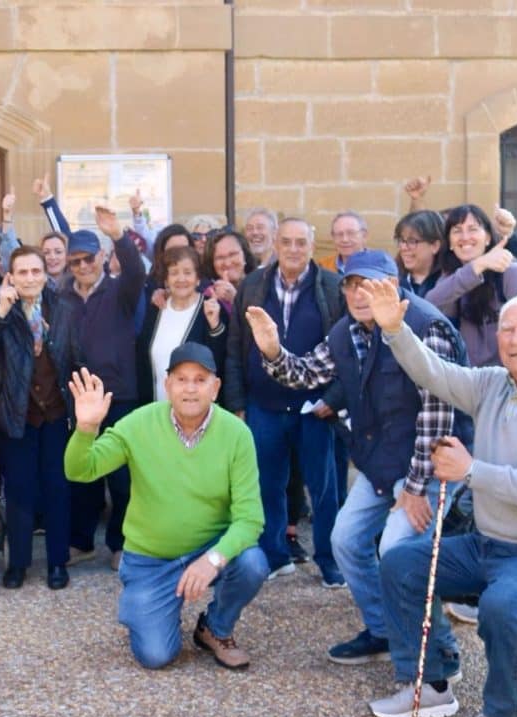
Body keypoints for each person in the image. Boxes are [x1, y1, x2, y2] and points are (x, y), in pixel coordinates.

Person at [362, 284, 517, 717]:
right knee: (400, 564)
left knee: (502, 605)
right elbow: (435, 372)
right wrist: (395, 329)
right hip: (489, 544)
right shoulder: (492, 384)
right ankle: (432, 683)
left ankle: (508, 714)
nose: (515, 338)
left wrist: (470, 470)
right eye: (507, 329)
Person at [245, 250, 471, 668]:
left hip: (432, 464)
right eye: (351, 285)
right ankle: (385, 631)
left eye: (370, 285)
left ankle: (439, 650)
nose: (359, 293)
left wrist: (415, 490)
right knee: (346, 541)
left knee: (399, 552)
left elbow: (438, 417)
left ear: (394, 286)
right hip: (382, 460)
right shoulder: (346, 331)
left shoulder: (427, 326)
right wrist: (273, 351)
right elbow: (306, 374)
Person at [64, 346, 268, 670]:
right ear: (167, 384)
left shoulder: (237, 434)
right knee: (156, 655)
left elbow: (250, 519)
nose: (190, 388)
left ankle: (215, 628)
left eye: (200, 379)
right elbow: (80, 470)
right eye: (181, 379)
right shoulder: (139, 423)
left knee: (252, 563)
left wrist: (212, 560)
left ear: (215, 387)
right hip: (151, 559)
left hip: (208, 546)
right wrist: (86, 428)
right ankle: (152, 608)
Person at [223, 217, 345, 587]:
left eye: (301, 242)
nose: (293, 249)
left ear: (312, 246)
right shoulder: (252, 285)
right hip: (264, 405)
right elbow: (235, 348)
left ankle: (330, 561)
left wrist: (333, 398)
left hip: (315, 408)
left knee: (324, 490)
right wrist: (238, 402)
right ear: (276, 243)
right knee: (267, 485)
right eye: (287, 241)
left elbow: (347, 351)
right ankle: (275, 556)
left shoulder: (332, 286)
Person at [0, 245, 81, 589]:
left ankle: (57, 563)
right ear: (11, 276)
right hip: (17, 415)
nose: (30, 278)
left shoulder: (64, 308)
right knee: (19, 492)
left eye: (36, 271)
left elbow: (76, 358)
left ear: (45, 275)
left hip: (57, 415)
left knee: (57, 489)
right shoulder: (0, 309)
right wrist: (1, 311)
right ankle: (17, 563)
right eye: (23, 272)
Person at [56, 208, 148, 572]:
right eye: (75, 261)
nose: (82, 266)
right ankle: (81, 541)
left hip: (119, 395)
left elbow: (137, 272)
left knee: (121, 476)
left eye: (88, 259)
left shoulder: (119, 291)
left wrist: (118, 236)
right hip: (79, 400)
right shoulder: (61, 297)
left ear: (101, 258)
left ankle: (120, 543)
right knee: (82, 475)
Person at [427, 204, 517, 368]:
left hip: (508, 375)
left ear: (488, 238)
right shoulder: (451, 277)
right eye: (457, 231)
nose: (465, 237)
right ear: (450, 243)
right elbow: (430, 305)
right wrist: (478, 265)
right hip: (467, 377)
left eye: (473, 229)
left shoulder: (510, 271)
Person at [139, 246, 226, 403]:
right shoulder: (156, 309)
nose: (181, 279)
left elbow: (220, 361)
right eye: (174, 273)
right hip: (157, 407)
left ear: (198, 278)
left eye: (187, 272)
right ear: (166, 280)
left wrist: (215, 326)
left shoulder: (211, 308)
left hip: (196, 408)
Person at [395, 210, 445, 299]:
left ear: (435, 246)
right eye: (401, 240)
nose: (403, 247)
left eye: (412, 241)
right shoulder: (393, 280)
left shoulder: (449, 283)